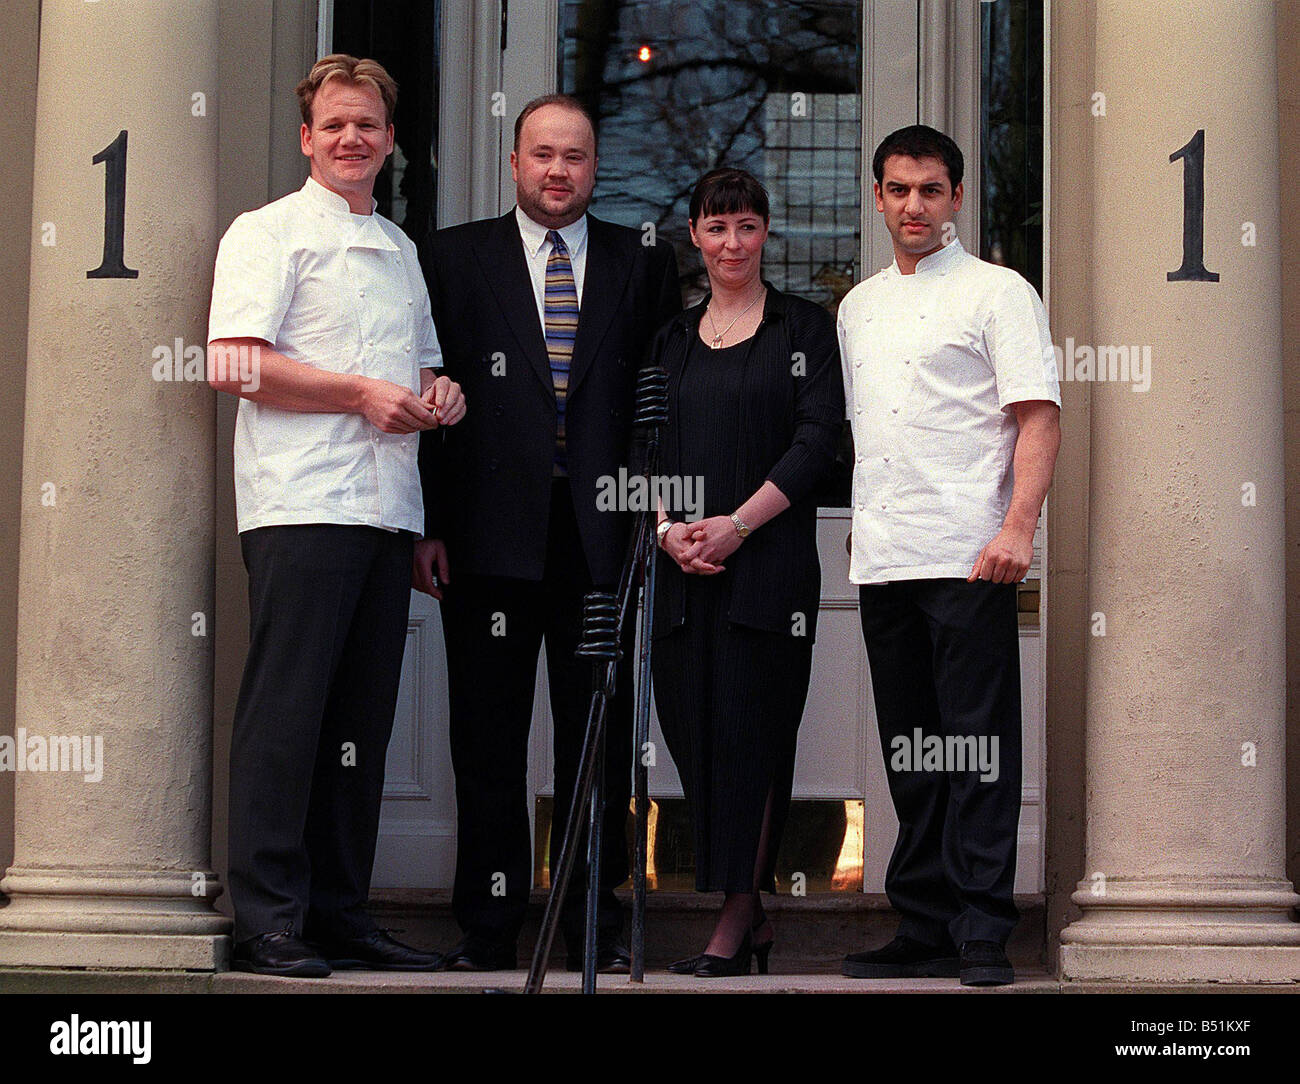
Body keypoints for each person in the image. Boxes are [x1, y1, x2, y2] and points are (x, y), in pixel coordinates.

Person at [207, 54, 465, 977]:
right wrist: (361, 393)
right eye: (336, 125)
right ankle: (269, 917)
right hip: (299, 501)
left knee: (361, 719)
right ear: (307, 137)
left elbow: (422, 368)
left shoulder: (401, 253)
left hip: (384, 510)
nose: (353, 139)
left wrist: (441, 394)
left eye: (369, 126)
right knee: (287, 716)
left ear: (390, 140)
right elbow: (232, 362)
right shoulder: (266, 232)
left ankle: (341, 912)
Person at [414, 94, 681, 972]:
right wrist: (431, 524)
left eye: (574, 156)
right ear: (516, 162)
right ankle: (489, 928)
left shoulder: (641, 262)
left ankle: (587, 924)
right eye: (542, 155)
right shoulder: (452, 259)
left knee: (594, 740)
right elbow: (427, 393)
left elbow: (662, 398)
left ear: (594, 166)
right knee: (485, 741)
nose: (558, 171)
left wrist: (657, 508)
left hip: (599, 543)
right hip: (486, 539)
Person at [838, 125, 1061, 987]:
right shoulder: (857, 306)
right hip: (887, 557)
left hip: (971, 553)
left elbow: (1036, 415)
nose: (913, 206)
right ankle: (923, 923)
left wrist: (1018, 529)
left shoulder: (998, 292)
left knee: (974, 747)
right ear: (880, 196)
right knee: (912, 748)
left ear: (957, 197)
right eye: (898, 189)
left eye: (930, 190)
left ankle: (980, 931)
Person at [647, 168, 844, 977]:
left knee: (754, 742)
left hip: (768, 571)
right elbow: (643, 446)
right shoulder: (668, 340)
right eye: (716, 228)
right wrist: (667, 531)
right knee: (693, 736)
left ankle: (733, 915)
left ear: (767, 234)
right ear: (694, 235)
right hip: (681, 574)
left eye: (747, 227)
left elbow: (816, 442)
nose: (732, 243)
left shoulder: (804, 329)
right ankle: (753, 909)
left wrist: (735, 525)